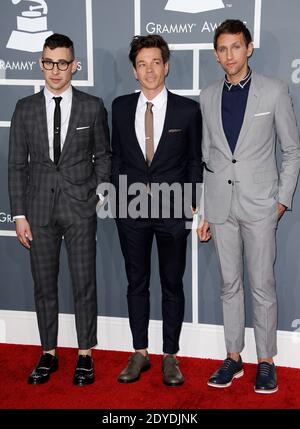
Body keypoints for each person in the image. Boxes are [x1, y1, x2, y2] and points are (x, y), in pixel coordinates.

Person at [197, 19, 300, 393]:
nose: (229, 55)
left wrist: (281, 201)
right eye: (222, 49)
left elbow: (291, 150)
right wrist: (206, 208)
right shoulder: (207, 96)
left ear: (249, 48)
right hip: (222, 208)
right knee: (229, 285)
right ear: (216, 53)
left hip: (261, 206)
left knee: (262, 285)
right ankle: (233, 357)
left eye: (236, 47)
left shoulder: (274, 91)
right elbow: (209, 155)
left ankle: (266, 361)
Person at [8, 33, 111, 385]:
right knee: (44, 285)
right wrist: (19, 214)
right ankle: (48, 352)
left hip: (80, 208)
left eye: (63, 63)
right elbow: (16, 165)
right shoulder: (24, 108)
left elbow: (104, 156)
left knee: (84, 283)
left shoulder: (92, 106)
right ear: (41, 63)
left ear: (74, 66)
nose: (56, 70)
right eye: (49, 62)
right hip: (37, 211)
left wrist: (96, 197)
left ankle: (85, 354)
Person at [111, 35, 202, 386]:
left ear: (166, 66)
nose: (149, 70)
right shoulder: (119, 107)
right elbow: (116, 154)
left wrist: (191, 199)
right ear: (135, 70)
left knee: (171, 283)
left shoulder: (187, 110)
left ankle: (169, 356)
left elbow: (195, 159)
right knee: (136, 282)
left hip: (173, 210)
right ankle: (139, 352)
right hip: (129, 209)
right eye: (142, 64)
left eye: (155, 62)